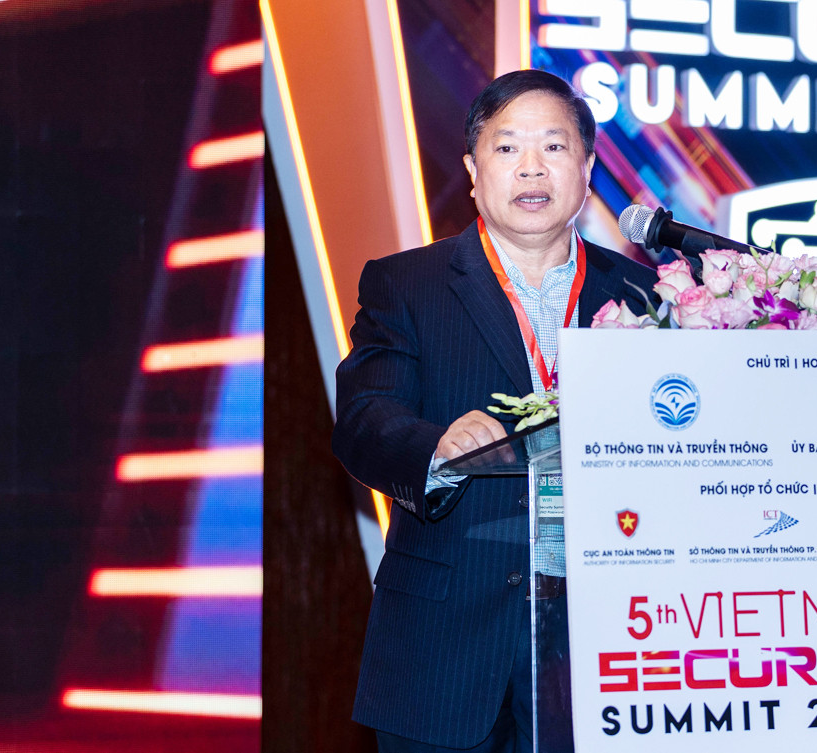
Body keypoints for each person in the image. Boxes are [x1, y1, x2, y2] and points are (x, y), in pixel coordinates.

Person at [331, 69, 657, 752]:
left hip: (611, 640)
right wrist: (435, 448)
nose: (532, 167)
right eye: (508, 148)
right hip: (447, 645)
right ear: (474, 172)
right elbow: (365, 419)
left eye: (555, 147)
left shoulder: (647, 292)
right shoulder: (407, 283)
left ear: (587, 169)